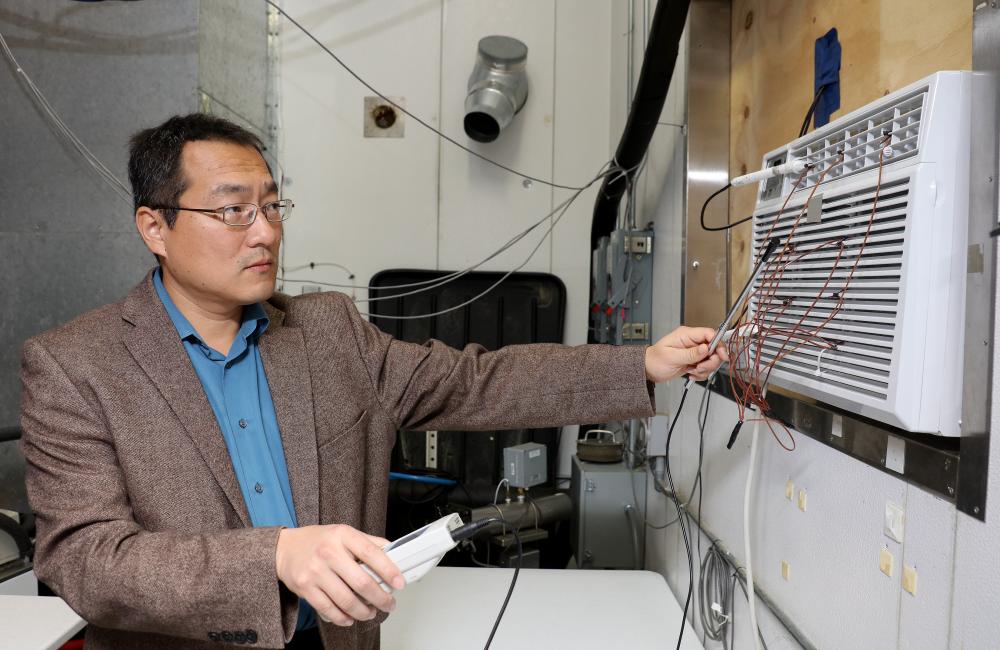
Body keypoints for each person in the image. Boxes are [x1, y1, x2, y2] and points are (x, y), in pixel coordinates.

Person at [19, 113, 726, 650]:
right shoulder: (76, 366)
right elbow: (88, 561)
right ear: (155, 226)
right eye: (233, 210)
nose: (263, 232)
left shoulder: (327, 332)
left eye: (272, 207)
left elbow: (476, 382)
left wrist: (642, 365)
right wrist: (275, 555)